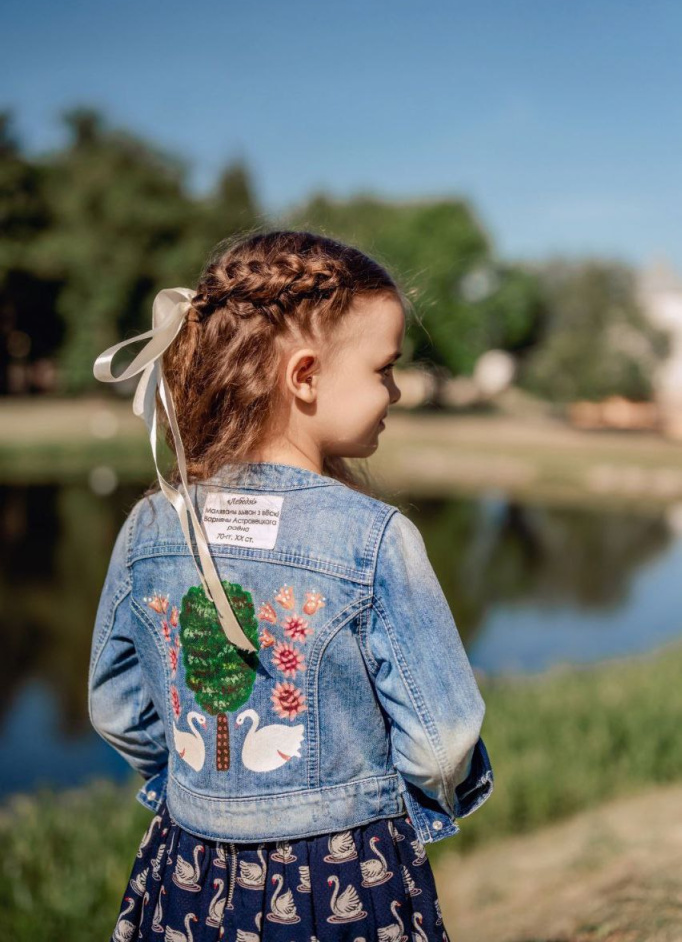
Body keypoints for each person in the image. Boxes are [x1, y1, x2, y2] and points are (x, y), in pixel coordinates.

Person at [89, 229, 493, 942]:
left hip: (188, 867)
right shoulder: (374, 537)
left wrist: (190, 784)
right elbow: (441, 742)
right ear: (304, 377)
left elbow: (116, 710)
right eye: (384, 369)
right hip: (345, 874)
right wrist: (411, 806)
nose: (395, 391)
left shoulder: (150, 524)